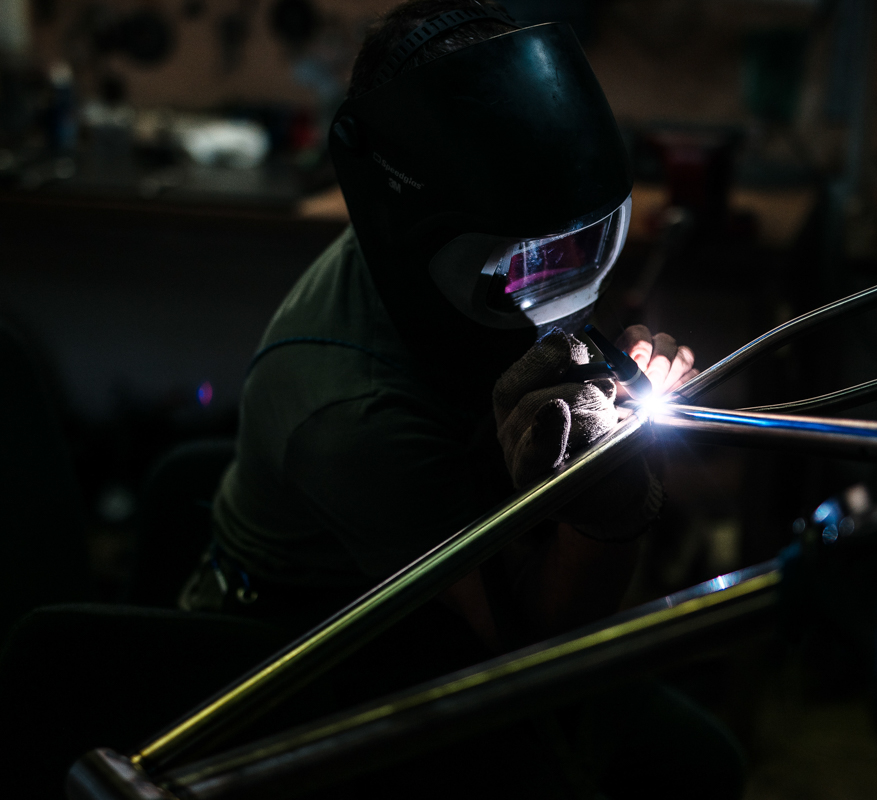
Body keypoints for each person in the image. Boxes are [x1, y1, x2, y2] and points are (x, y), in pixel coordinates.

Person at [180, 2, 743, 796]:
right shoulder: (351, 414)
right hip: (305, 676)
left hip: (446, 596)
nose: (562, 284)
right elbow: (529, 654)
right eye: (533, 259)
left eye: (583, 245)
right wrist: (606, 510)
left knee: (700, 760)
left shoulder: (458, 252)